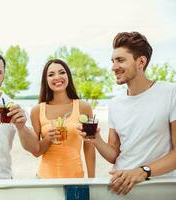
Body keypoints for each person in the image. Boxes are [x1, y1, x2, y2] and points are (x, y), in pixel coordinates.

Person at [80, 31, 176, 195]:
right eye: (113, 61)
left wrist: (142, 171)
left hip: (158, 189)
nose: (113, 67)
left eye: (120, 60)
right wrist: (96, 140)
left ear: (141, 62)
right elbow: (114, 154)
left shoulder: (171, 93)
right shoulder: (115, 104)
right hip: (120, 187)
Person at [30, 59, 96, 178]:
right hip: (44, 179)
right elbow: (36, 152)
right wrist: (48, 139)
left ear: (68, 76)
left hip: (76, 179)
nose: (57, 77)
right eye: (51, 74)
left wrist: (92, 179)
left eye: (62, 72)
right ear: (46, 80)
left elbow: (89, 146)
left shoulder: (83, 107)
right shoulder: (37, 110)